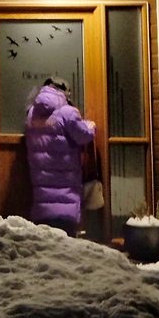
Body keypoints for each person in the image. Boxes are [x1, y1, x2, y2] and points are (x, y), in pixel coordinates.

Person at [24, 77, 96, 236]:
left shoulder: (32, 113)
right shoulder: (67, 112)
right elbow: (83, 135)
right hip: (66, 191)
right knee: (65, 240)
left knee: (44, 240)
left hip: (40, 194)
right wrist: (90, 125)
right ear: (65, 92)